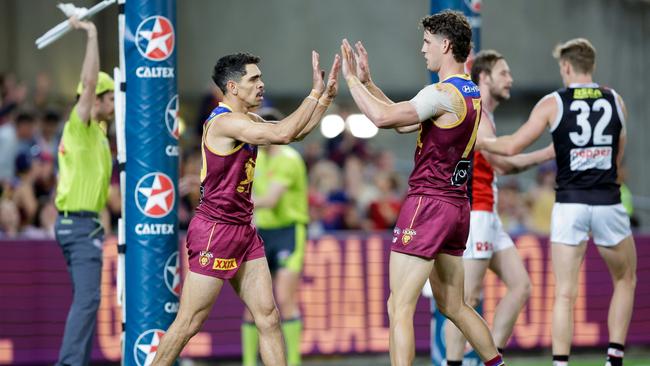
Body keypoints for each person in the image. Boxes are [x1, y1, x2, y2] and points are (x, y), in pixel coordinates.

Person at [152, 51, 340, 366]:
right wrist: (313, 92)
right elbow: (283, 132)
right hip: (216, 231)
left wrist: (324, 100)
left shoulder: (249, 120)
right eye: (253, 79)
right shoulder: (225, 122)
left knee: (268, 316)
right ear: (233, 87)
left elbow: (293, 133)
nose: (261, 85)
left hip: (244, 231)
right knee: (189, 323)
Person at [340, 10, 504, 366]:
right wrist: (370, 85)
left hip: (427, 205)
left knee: (398, 305)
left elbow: (384, 119)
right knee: (454, 306)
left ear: (445, 44)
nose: (422, 49)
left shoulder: (441, 93)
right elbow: (402, 120)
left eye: (427, 42)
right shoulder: (469, 91)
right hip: (457, 206)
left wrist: (351, 81)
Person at [477, 38, 636, 366]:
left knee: (565, 292)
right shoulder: (616, 100)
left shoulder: (553, 102)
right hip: (607, 201)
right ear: (590, 65)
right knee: (625, 279)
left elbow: (509, 149)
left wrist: (475, 138)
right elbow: (618, 159)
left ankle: (560, 363)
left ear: (566, 66)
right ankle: (614, 357)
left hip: (569, 204)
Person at [444, 50, 555, 365]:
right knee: (465, 300)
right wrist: (548, 152)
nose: (510, 79)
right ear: (484, 77)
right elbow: (504, 164)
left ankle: (487, 352)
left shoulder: (486, 116)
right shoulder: (476, 114)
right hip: (475, 213)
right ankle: (454, 362)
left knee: (520, 287)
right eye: (503, 73)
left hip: (488, 215)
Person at [53, 16, 115, 366]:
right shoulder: (80, 124)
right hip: (78, 227)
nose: (111, 104)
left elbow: (103, 190)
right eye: (108, 98)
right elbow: (89, 81)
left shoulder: (98, 136)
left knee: (87, 299)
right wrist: (91, 34)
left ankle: (76, 362)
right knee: (88, 299)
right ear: (97, 99)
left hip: (82, 224)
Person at [241, 109, 309, 366]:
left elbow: (270, 199)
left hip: (289, 232)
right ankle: (248, 362)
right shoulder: (255, 158)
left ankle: (292, 361)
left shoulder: (289, 159)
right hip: (261, 233)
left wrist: (233, 203)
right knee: (253, 301)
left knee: (284, 298)